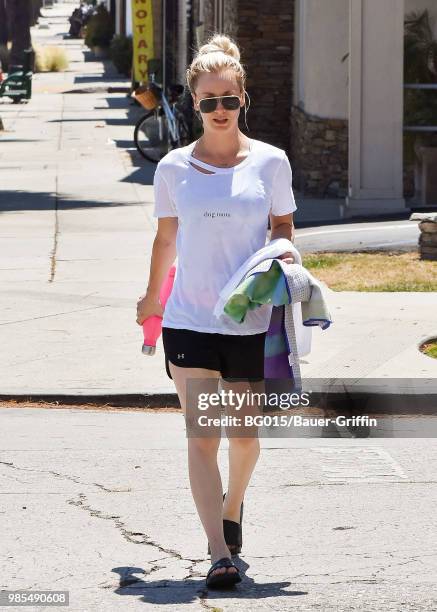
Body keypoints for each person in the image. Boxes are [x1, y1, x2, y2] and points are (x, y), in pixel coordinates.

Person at [136, 32, 297, 589]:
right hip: (189, 322)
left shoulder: (272, 163)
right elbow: (164, 242)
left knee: (245, 438)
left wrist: (285, 255)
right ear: (194, 105)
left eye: (229, 99)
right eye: (209, 101)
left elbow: (281, 226)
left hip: (248, 323)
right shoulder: (174, 169)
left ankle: (233, 509)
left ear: (243, 99)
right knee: (202, 435)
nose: (220, 110)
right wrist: (152, 300)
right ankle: (219, 551)